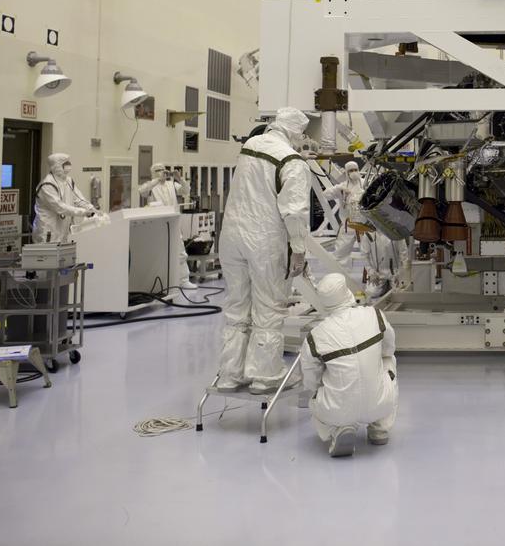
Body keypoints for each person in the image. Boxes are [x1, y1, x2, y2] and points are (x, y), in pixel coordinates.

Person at [216, 107, 312, 394]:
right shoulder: (292, 161)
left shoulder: (249, 146)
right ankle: (264, 376)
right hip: (264, 241)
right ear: (296, 131)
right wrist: (298, 250)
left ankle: (230, 374)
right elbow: (294, 213)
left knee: (236, 307)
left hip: (231, 236)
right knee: (269, 308)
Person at [298, 273, 399, 457]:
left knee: (316, 386)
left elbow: (310, 381)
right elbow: (389, 348)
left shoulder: (315, 336)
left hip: (337, 409)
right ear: (347, 293)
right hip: (380, 402)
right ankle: (379, 428)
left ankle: (338, 429)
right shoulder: (374, 314)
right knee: (388, 361)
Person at [139, 163, 196, 291]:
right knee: (158, 253)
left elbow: (186, 191)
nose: (162, 172)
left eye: (163, 170)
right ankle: (159, 281)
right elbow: (141, 191)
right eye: (158, 170)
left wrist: (179, 179)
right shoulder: (151, 186)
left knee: (180, 251)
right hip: (157, 224)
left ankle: (183, 280)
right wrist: (156, 180)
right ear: (153, 173)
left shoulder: (171, 185)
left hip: (173, 222)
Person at [330, 161, 384, 294]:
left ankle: (374, 281)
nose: (354, 172)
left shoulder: (366, 184)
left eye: (355, 169)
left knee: (371, 255)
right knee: (339, 255)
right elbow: (326, 195)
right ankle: (340, 283)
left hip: (366, 226)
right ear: (347, 173)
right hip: (349, 226)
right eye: (351, 170)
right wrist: (338, 191)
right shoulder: (343, 186)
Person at [32, 153, 96, 243]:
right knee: (48, 255)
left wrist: (91, 208)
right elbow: (60, 207)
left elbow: (78, 198)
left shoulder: (68, 181)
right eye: (66, 163)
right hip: (48, 231)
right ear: (57, 166)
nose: (69, 166)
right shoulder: (47, 185)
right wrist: (84, 212)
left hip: (63, 229)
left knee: (63, 254)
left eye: (69, 163)